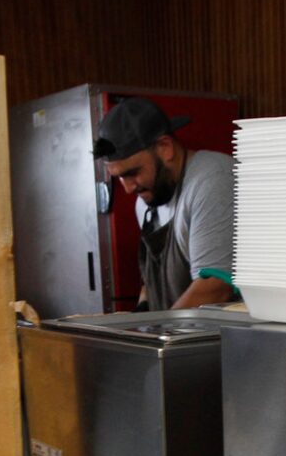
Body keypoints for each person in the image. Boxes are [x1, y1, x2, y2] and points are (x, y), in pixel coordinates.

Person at [93, 97, 234, 310]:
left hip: (226, 340)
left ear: (165, 147)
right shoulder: (147, 201)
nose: (128, 188)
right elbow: (152, 281)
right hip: (182, 337)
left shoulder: (211, 181)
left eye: (133, 172)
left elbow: (215, 287)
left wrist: (160, 334)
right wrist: (141, 316)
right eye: (119, 177)